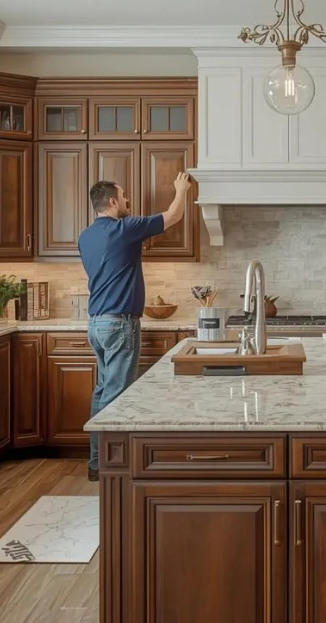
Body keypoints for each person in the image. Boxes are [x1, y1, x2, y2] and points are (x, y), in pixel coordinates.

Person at [79, 173, 192, 481]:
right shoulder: (124, 228)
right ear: (112, 201)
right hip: (119, 325)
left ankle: (97, 462)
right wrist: (180, 189)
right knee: (117, 395)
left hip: (97, 324)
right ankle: (113, 467)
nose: (128, 200)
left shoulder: (85, 237)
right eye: (124, 196)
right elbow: (173, 216)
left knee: (103, 392)